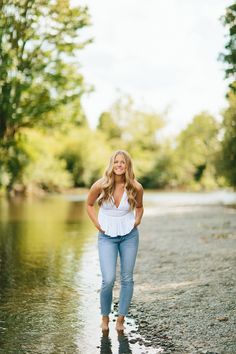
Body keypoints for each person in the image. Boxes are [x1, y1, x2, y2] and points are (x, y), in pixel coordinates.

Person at [86, 150, 144, 331]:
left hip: (129, 236)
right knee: (108, 279)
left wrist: (137, 220)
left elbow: (140, 207)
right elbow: (88, 205)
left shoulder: (136, 187)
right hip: (106, 237)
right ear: (111, 164)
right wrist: (97, 224)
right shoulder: (100, 185)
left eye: (123, 162)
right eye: (116, 162)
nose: (119, 165)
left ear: (128, 166)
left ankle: (120, 320)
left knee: (127, 278)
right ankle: (105, 318)